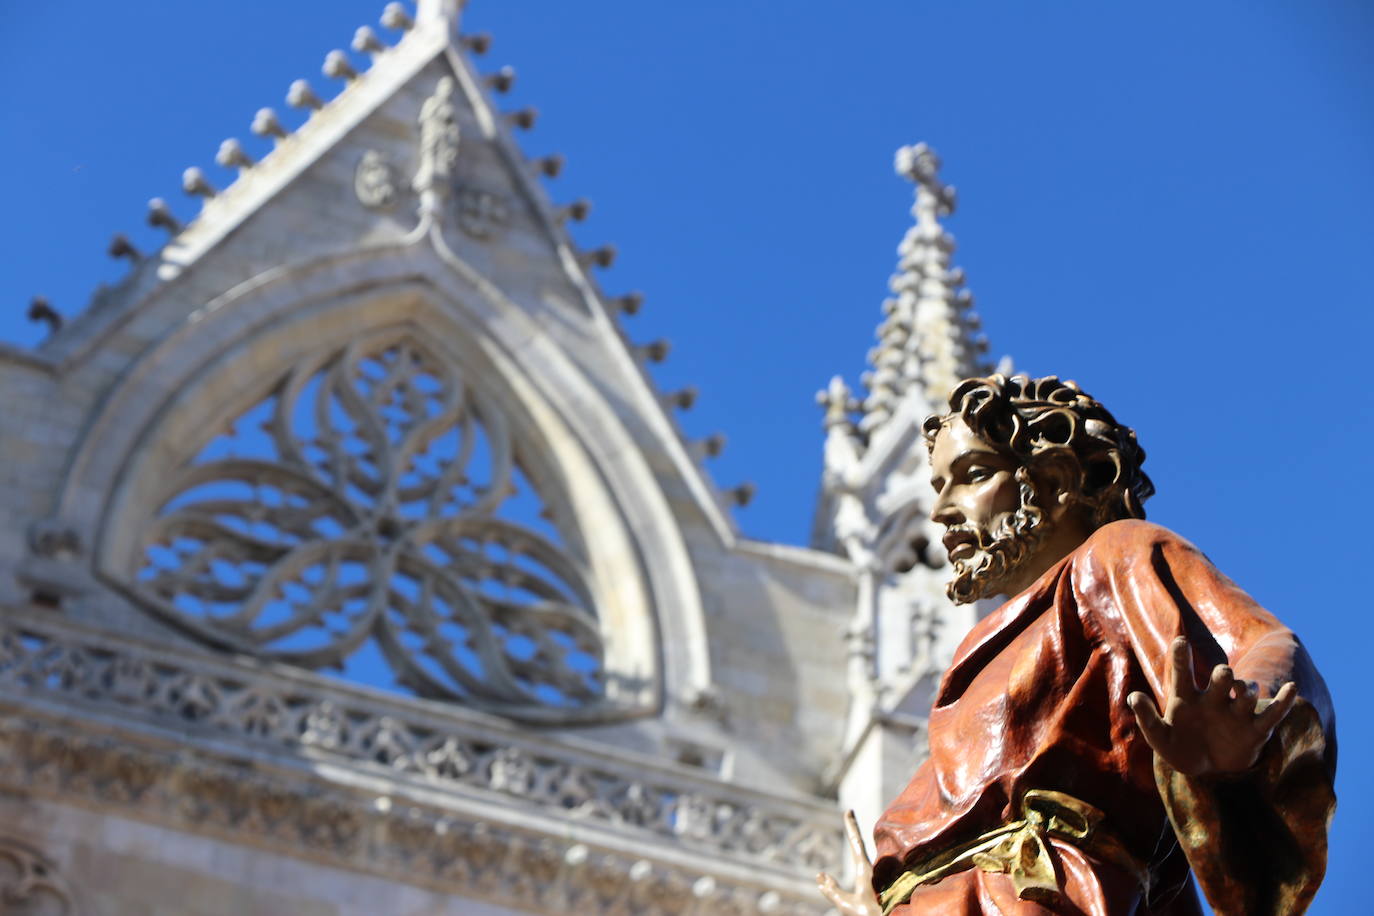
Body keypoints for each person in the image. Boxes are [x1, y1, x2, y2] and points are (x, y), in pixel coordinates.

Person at [816, 375, 1336, 916]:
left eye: (971, 476)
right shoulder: (980, 650)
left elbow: (1268, 645)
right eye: (937, 486)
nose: (941, 511)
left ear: (1056, 479)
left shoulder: (1112, 557)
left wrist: (1243, 712)